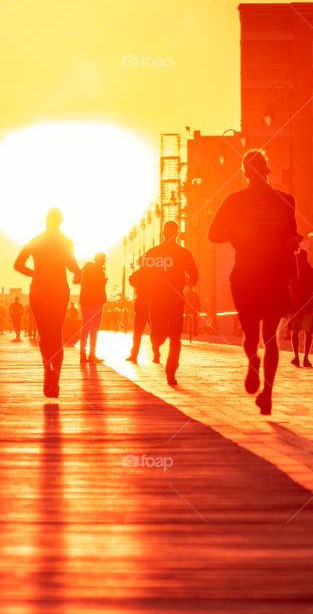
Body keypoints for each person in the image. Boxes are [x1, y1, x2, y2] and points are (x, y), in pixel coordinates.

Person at [208, 148, 300, 415]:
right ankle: (266, 391)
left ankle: (255, 370)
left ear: (245, 173)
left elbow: (214, 234)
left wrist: (239, 233)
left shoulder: (236, 201)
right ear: (265, 170)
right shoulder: (285, 200)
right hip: (272, 274)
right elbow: (291, 236)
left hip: (251, 275)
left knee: (254, 334)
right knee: (269, 337)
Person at [14, 207, 80, 398]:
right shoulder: (67, 242)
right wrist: (79, 273)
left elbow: (18, 264)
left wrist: (36, 274)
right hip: (59, 290)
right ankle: (54, 381)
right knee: (56, 334)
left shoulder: (36, 241)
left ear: (46, 221)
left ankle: (47, 372)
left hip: (40, 290)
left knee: (45, 335)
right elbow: (72, 266)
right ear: (61, 221)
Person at [144, 221, 198, 386]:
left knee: (158, 334)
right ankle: (171, 372)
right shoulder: (184, 253)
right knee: (175, 337)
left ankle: (157, 341)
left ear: (162, 234)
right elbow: (194, 276)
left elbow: (144, 275)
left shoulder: (152, 253)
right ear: (178, 234)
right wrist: (188, 280)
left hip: (156, 299)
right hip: (175, 299)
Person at [289, 250, 313, 368]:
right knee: (307, 333)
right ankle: (305, 357)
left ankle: (297, 357)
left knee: (295, 332)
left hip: (296, 308)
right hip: (307, 308)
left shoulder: (293, 273)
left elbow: (286, 291)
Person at [78, 251, 107, 363]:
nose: (104, 261)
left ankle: (82, 354)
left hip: (84, 300)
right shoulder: (99, 271)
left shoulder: (86, 268)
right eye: (103, 259)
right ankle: (92, 354)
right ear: (100, 260)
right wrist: (103, 283)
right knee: (94, 329)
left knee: (85, 327)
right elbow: (98, 287)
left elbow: (81, 281)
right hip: (95, 301)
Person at [126, 257, 151, 364]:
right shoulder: (152, 273)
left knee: (137, 332)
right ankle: (156, 353)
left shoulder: (139, 273)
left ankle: (134, 354)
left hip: (142, 304)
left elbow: (131, 280)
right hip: (151, 304)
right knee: (154, 331)